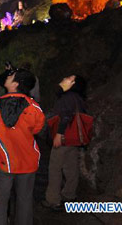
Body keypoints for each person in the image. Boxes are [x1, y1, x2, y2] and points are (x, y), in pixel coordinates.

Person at [0, 69, 45, 225]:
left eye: (10, 76)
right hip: (28, 162)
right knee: (25, 201)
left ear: (15, 84)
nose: (6, 78)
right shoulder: (34, 108)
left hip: (3, 161)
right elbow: (37, 129)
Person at [42, 75, 87, 210]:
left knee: (55, 168)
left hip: (63, 138)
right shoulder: (78, 98)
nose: (64, 78)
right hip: (73, 140)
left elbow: (66, 116)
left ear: (73, 83)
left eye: (69, 78)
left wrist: (59, 134)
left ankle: (53, 200)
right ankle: (69, 194)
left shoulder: (67, 98)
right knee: (71, 166)